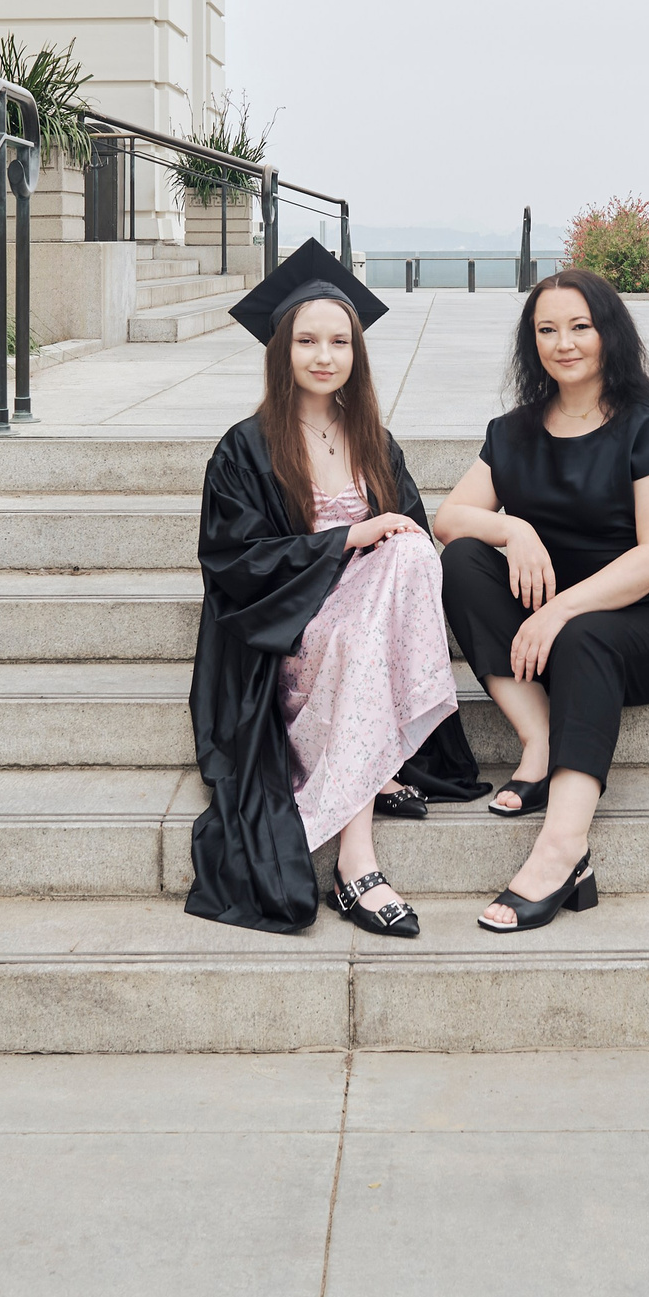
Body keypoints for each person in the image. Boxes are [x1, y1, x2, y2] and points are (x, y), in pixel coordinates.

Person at [185, 240, 488, 937]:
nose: (325, 355)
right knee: (374, 591)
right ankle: (356, 861)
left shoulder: (373, 438)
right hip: (288, 636)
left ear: (357, 351)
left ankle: (365, 791)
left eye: (339, 341)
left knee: (414, 552)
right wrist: (344, 540)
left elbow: (410, 550)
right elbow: (234, 563)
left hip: (365, 637)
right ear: (281, 350)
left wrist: (385, 541)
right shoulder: (246, 447)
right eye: (307, 341)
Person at [434, 268, 649, 933]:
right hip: (555, 631)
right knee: (462, 559)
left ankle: (563, 849)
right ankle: (538, 738)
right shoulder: (513, 431)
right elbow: (449, 516)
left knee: (587, 632)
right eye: (547, 330)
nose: (564, 343)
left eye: (580, 326)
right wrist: (512, 527)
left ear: (609, 333)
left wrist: (559, 610)